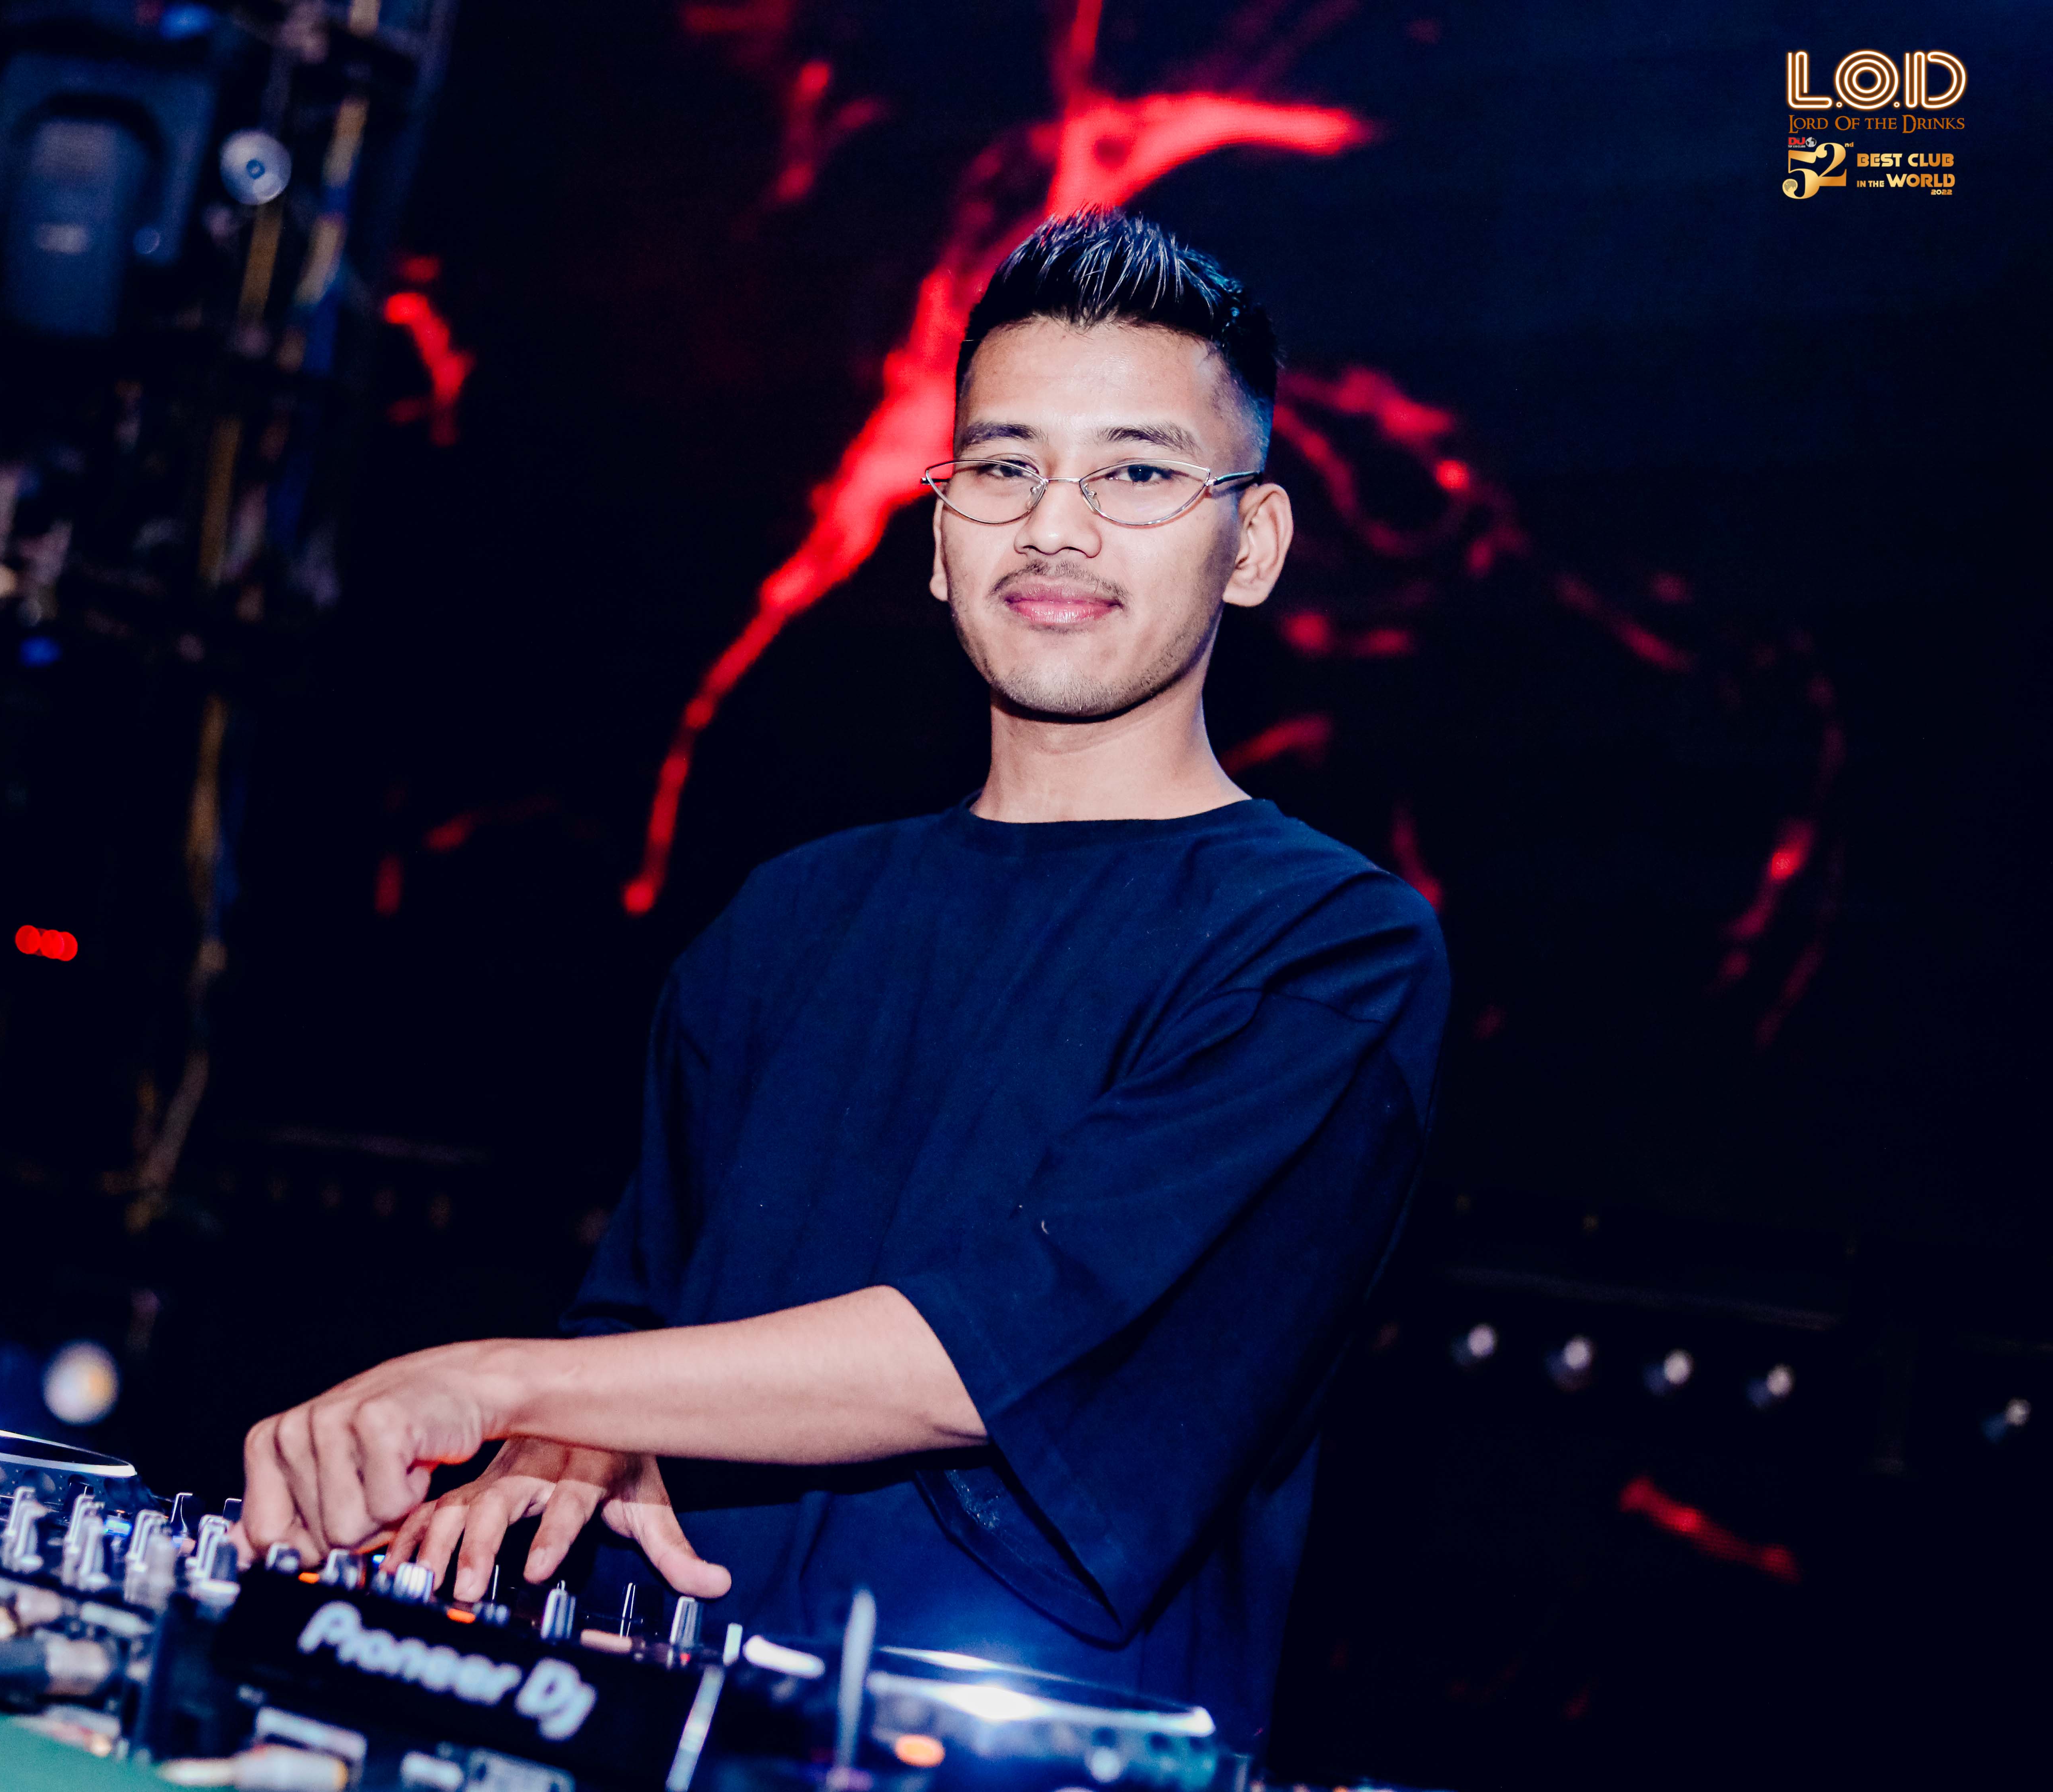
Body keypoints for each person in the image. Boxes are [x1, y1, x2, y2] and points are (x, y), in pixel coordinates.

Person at [235, 208, 1448, 1754]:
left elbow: (1003, 1345)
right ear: (938, 536)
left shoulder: (1328, 946)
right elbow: (635, 1336)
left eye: (1137, 474)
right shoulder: (784, 919)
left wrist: (489, 1384)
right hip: (641, 1736)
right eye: (1003, 467)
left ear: (1253, 544)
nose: (1055, 528)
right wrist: (564, 1441)